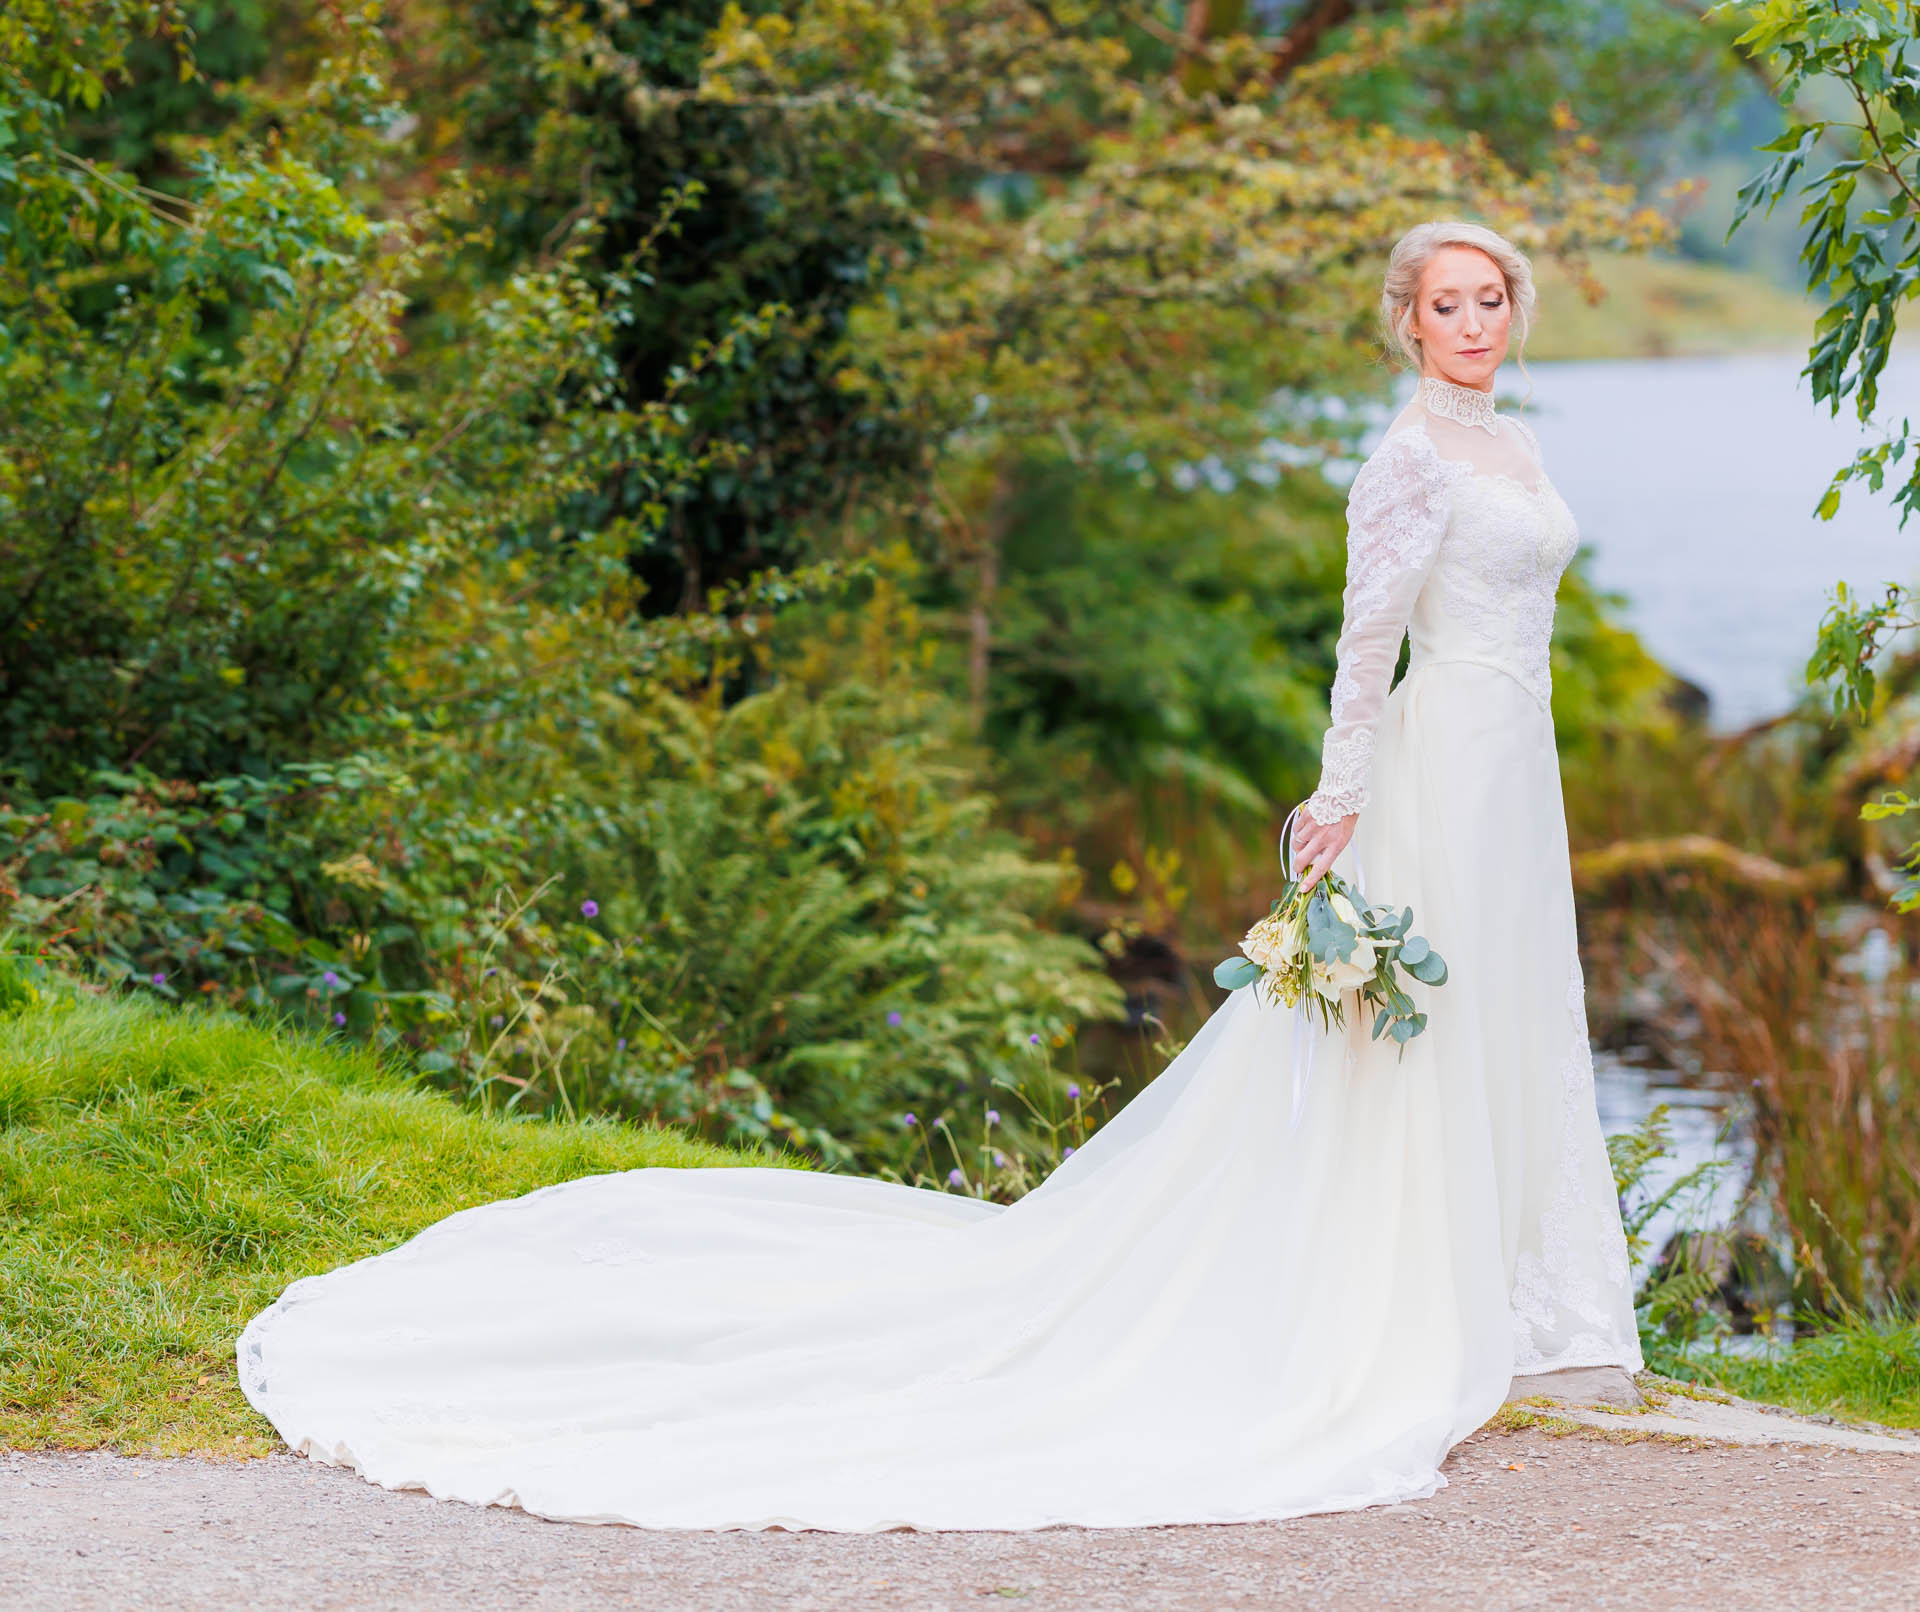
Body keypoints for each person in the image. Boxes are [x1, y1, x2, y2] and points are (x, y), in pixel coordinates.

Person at [238, 218, 1641, 1532]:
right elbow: (1364, 639)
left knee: (1506, 1007)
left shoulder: (1506, 441)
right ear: (1404, 323)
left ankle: (1515, 1296)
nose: (1474, 321)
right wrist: (1341, 794)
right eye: (1446, 304)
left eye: (1492, 298)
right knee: (1417, 1037)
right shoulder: (1408, 456)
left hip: (1515, 769)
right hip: (1436, 766)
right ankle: (1404, 1309)